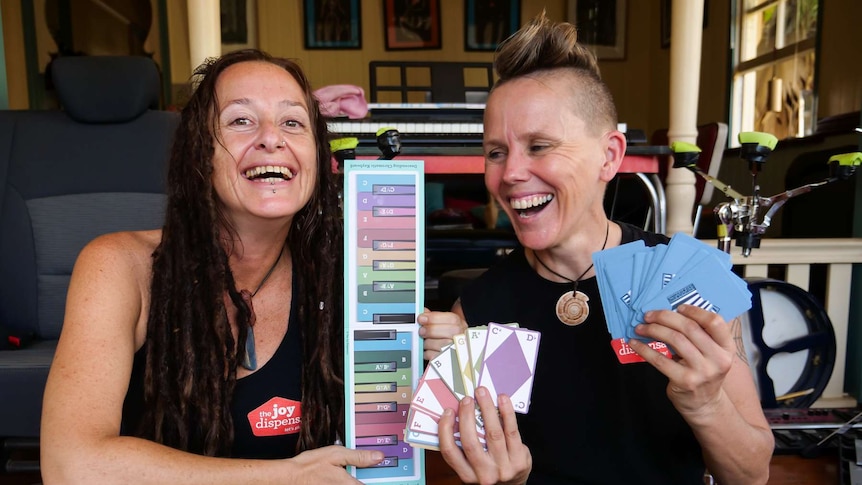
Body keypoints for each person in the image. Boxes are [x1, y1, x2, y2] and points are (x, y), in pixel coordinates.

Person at [418, 12, 775, 485]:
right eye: (496, 152)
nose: (510, 174)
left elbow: (751, 475)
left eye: (540, 145)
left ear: (609, 156)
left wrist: (706, 403)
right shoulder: (477, 310)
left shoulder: (686, 278)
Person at [40, 49, 384, 484]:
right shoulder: (118, 266)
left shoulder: (352, 277)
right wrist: (281, 478)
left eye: (293, 122)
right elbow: (72, 466)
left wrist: (447, 361)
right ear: (199, 153)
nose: (271, 138)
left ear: (317, 155)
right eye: (241, 120)